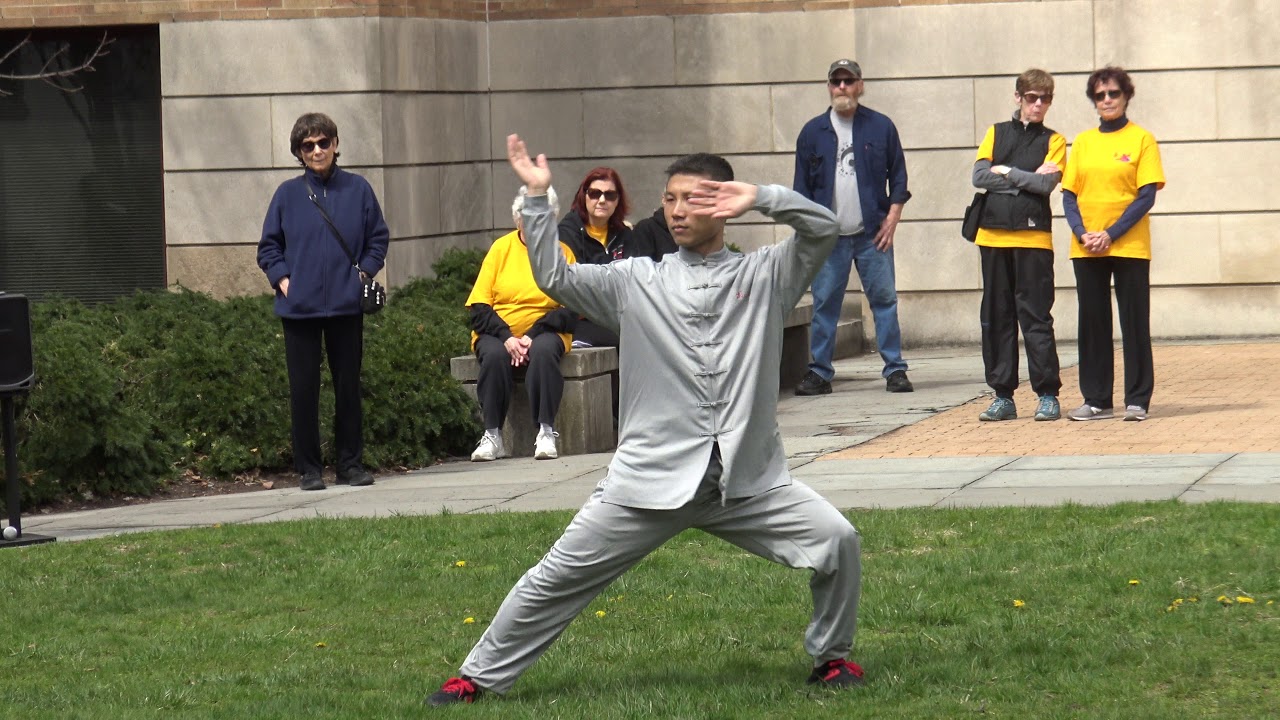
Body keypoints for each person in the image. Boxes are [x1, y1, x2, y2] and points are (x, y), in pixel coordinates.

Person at [424, 136, 865, 707]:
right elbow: (556, 277)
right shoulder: (636, 280)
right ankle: (477, 676)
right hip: (646, 484)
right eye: (670, 200)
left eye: (692, 199)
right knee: (554, 577)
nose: (677, 211)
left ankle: (831, 659)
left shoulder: (768, 276)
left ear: (724, 204)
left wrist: (765, 196)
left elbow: (823, 229)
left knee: (838, 541)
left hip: (746, 483)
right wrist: (537, 198)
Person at [256, 112, 387, 491]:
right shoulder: (286, 195)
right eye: (307, 146)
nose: (317, 151)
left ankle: (350, 465)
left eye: (323, 143)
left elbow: (378, 237)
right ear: (299, 153)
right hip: (299, 311)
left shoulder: (359, 190)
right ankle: (309, 470)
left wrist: (363, 272)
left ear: (335, 144)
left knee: (348, 387)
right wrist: (282, 280)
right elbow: (269, 247)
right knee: (304, 390)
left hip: (346, 307)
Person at [794, 59, 913, 396]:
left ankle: (895, 370)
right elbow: (801, 188)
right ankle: (819, 372)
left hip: (872, 233)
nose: (842, 88)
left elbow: (899, 176)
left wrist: (893, 218)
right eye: (836, 82)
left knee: (884, 302)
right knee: (824, 304)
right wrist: (808, 233)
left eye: (848, 81)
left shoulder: (880, 127)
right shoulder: (812, 132)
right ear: (829, 87)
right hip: (828, 238)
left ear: (861, 85)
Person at [1062, 66, 1165, 422]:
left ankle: (1137, 399)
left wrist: (1111, 233)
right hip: (1086, 247)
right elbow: (1069, 195)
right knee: (1092, 323)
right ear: (1094, 100)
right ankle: (1096, 399)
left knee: (1134, 321)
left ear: (1126, 96)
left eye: (1114, 93)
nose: (1107, 100)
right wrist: (1082, 233)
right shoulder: (1084, 141)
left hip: (1128, 246)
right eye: (1100, 95)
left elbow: (1145, 196)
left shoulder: (1142, 139)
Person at [970, 69, 1066, 422]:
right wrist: (1025, 177)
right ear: (1018, 98)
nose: (1038, 104)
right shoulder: (996, 132)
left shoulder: (1055, 140)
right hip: (992, 236)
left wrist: (1006, 173)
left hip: (1034, 239)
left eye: (1045, 99)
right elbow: (978, 176)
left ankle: (1047, 393)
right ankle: (1002, 396)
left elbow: (1046, 186)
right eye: (1032, 98)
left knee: (1036, 317)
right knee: (996, 318)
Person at [467, 187, 578, 461]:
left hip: (547, 330)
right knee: (493, 355)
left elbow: (571, 310)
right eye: (529, 216)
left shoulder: (562, 253)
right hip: (498, 332)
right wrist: (507, 337)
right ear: (518, 218)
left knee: (543, 352)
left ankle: (545, 431)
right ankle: (493, 435)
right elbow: (479, 308)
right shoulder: (500, 249)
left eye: (544, 217)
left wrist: (531, 334)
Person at [557, 168, 631, 348]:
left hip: (618, 315)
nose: (602, 200)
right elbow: (572, 286)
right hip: (579, 319)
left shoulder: (625, 235)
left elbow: (632, 281)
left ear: (618, 200)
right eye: (595, 194)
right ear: (584, 196)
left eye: (610, 195)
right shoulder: (567, 233)